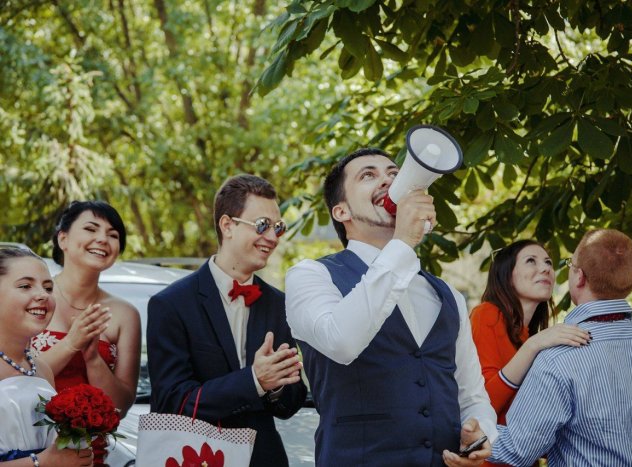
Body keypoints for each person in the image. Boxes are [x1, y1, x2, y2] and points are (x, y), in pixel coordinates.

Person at [286, 148, 498, 467]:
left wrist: (481, 435)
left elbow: (471, 395)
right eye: (368, 175)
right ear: (341, 211)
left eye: (394, 174)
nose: (387, 181)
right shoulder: (310, 275)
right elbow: (341, 342)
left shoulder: (448, 296)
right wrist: (403, 243)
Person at [489, 229, 632, 466]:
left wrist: (468, 437)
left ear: (579, 277)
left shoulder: (558, 356)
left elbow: (519, 449)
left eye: (570, 265)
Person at [147, 174, 307, 467]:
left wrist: (276, 386)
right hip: (192, 457)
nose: (273, 238)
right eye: (262, 225)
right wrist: (254, 381)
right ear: (227, 225)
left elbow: (292, 401)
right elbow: (173, 401)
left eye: (278, 228)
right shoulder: (170, 304)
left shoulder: (280, 304)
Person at [31, 201, 140, 466]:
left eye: (113, 235)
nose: (102, 239)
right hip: (29, 450)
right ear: (63, 239)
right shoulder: (33, 299)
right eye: (91, 229)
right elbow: (16, 379)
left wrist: (92, 357)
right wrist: (71, 342)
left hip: (90, 456)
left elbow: (119, 409)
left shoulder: (125, 314)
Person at [470, 240, 590, 464]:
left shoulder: (532, 337)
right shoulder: (487, 315)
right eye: (531, 261)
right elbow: (483, 405)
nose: (545, 268)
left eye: (548, 262)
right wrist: (533, 346)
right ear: (507, 275)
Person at [0, 248, 93, 466]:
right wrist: (42, 462)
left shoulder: (41, 369)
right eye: (25, 286)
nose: (43, 295)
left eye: (48, 288)